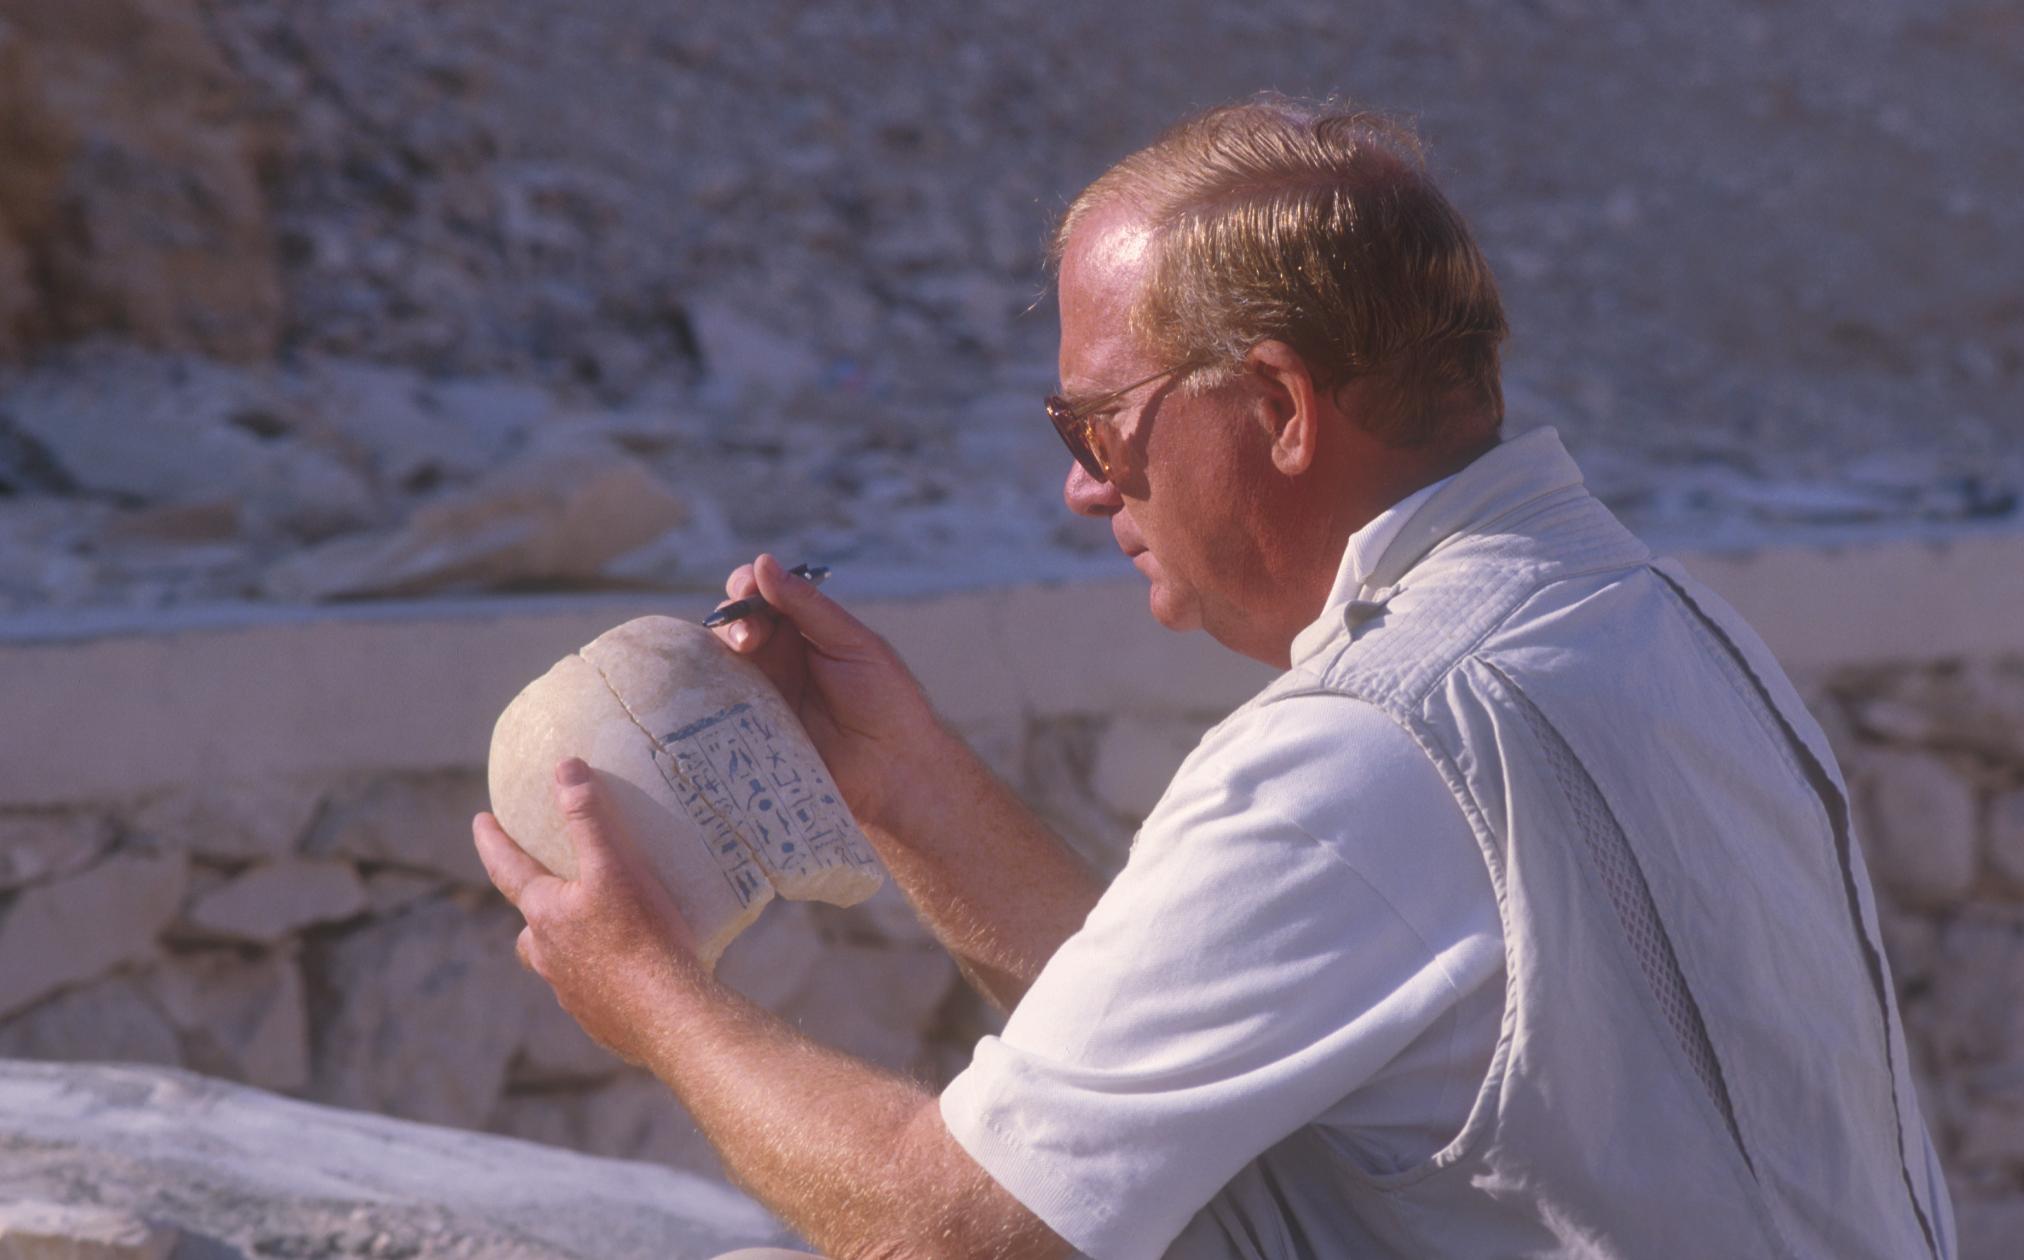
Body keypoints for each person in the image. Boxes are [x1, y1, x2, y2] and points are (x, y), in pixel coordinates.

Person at [473, 96, 1956, 1259]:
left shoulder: (1373, 747)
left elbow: (949, 1231)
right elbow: (1152, 1071)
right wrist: (898, 781)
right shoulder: (1650, 620)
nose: (1079, 491)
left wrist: (647, 992)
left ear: (1277, 407)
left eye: (1093, 426)